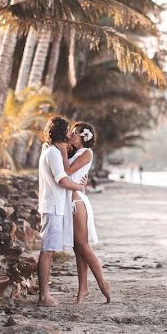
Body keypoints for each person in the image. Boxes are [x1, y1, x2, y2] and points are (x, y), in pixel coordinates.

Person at [37, 116, 87, 307]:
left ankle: (44, 294)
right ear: (61, 131)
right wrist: (79, 187)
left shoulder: (52, 151)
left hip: (54, 206)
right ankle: (43, 296)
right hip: (53, 207)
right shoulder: (52, 153)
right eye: (68, 130)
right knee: (47, 251)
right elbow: (62, 179)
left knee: (48, 251)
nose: (70, 133)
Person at [60, 122, 111, 304]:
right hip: (69, 201)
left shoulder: (87, 153)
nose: (71, 135)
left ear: (84, 136)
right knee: (77, 248)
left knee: (83, 246)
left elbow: (66, 171)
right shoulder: (75, 153)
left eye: (74, 133)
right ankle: (83, 289)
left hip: (77, 202)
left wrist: (61, 149)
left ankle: (103, 283)